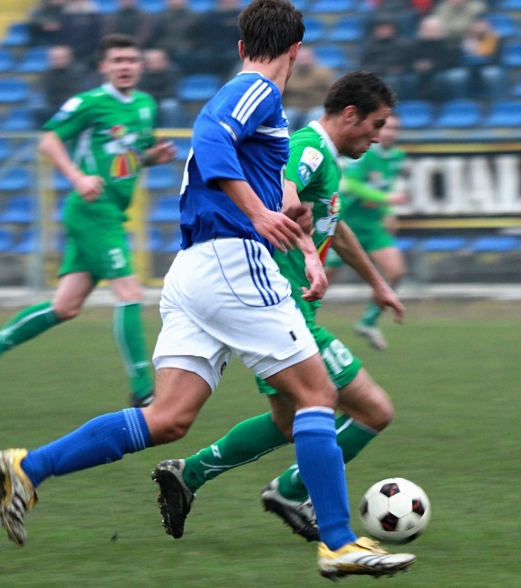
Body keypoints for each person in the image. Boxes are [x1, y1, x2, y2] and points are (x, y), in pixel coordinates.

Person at [0, 0, 416, 580]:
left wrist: (299, 246)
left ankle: (28, 466)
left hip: (193, 269)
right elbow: (210, 134)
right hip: (233, 262)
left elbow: (265, 180)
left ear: (242, 43)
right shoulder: (257, 90)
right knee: (317, 398)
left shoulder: (260, 105)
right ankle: (339, 542)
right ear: (293, 49)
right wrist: (258, 215)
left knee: (168, 418)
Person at [151, 70, 404, 545]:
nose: (379, 136)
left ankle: (191, 474)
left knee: (290, 421)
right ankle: (292, 492)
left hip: (281, 306)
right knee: (374, 411)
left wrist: (378, 284)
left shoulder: (326, 158)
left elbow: (337, 227)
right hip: (280, 309)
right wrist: (307, 252)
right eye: (376, 124)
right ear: (350, 115)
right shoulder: (309, 148)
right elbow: (285, 190)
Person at [0, 34, 176, 408]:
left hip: (109, 212)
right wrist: (77, 177)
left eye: (131, 59)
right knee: (130, 293)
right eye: (117, 60)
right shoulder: (89, 103)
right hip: (93, 210)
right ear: (103, 67)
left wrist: (151, 158)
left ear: (140, 66)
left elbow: (125, 157)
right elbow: (48, 140)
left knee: (66, 306)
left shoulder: (145, 105)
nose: (125, 66)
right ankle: (143, 390)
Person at [326, 113, 407, 350]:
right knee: (321, 279)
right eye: (387, 127)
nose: (391, 132)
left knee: (396, 271)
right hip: (347, 224)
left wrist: (388, 212)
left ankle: (369, 322)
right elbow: (352, 184)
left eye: (395, 128)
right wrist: (385, 198)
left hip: (372, 226)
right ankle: (300, 323)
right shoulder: (365, 154)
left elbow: (387, 184)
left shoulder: (396, 157)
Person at [34, 45, 89, 126]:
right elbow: (41, 90)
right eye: (55, 58)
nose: (58, 61)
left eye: (61, 58)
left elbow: (79, 93)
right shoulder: (47, 74)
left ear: (70, 58)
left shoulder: (80, 72)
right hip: (52, 105)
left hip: (72, 105)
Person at [281, 47, 335, 130]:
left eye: (306, 58)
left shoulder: (323, 73)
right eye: (301, 58)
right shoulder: (289, 72)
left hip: (315, 106)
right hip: (293, 106)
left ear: (313, 58)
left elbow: (331, 91)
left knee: (314, 117)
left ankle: (306, 140)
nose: (304, 61)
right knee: (287, 116)